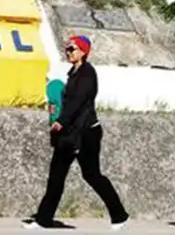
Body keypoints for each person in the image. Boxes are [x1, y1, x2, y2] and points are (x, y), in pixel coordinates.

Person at [25, 35, 129, 230]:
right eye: (67, 49)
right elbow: (67, 102)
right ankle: (43, 219)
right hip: (70, 133)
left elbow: (78, 101)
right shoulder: (73, 72)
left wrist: (60, 122)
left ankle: (119, 215)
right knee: (56, 175)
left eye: (72, 49)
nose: (68, 52)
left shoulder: (87, 74)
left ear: (83, 51)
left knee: (91, 174)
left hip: (86, 133)